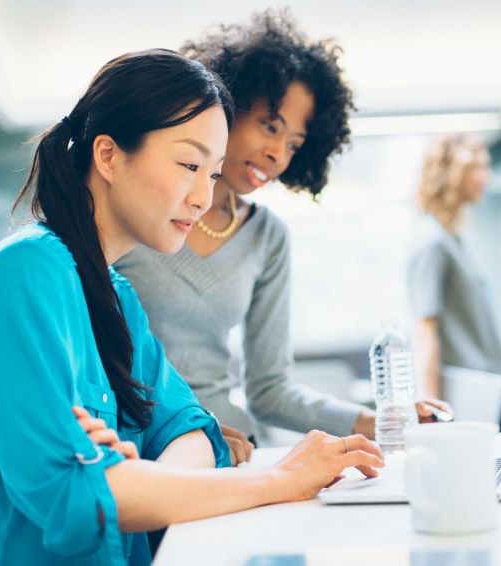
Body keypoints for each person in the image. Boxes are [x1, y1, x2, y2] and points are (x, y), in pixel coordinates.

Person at [0, 49, 383, 566]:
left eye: (212, 174)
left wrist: (139, 478)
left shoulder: (116, 294)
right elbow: (74, 498)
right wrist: (280, 479)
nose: (202, 199)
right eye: (189, 164)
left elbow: (194, 432)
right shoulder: (23, 273)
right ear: (109, 155)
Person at [115, 11, 448, 460]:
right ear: (225, 105)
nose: (277, 154)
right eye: (270, 127)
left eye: (294, 143)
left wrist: (375, 420)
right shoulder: (138, 212)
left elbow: (269, 389)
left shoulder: (267, 237)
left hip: (230, 448)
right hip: (141, 446)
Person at [407, 134, 501, 405]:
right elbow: (425, 330)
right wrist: (431, 410)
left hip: (484, 390)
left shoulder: (453, 240)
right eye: (479, 168)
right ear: (453, 173)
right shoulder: (432, 241)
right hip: (463, 399)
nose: (486, 177)